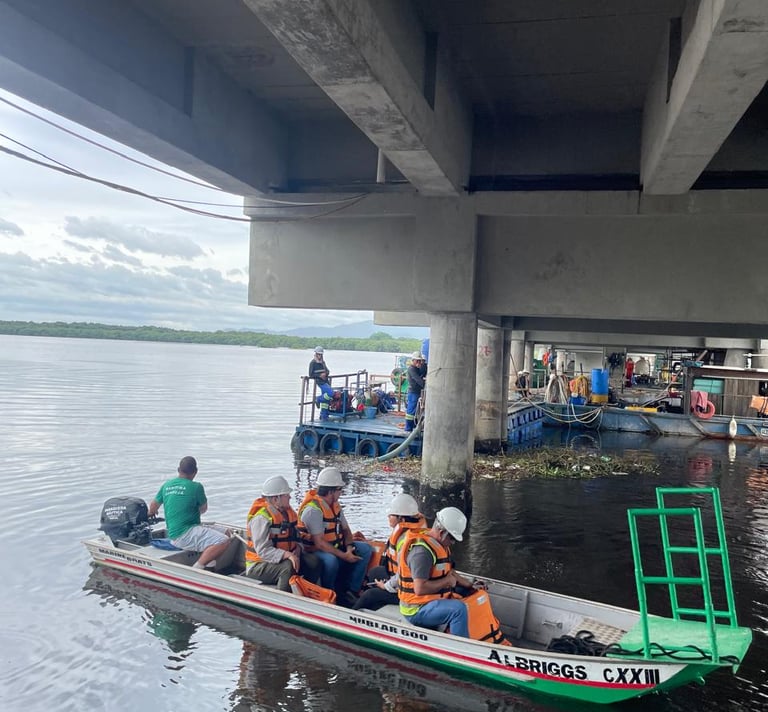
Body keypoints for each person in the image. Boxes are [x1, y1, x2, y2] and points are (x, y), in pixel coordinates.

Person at [398, 507, 483, 638]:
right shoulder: (421, 553)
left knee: (469, 594)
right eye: (452, 538)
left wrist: (470, 585)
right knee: (458, 610)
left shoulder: (438, 544)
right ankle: (462, 649)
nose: (453, 543)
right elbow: (419, 588)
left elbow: (449, 572)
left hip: (432, 600)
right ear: (441, 532)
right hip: (416, 609)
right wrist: (446, 582)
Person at [297, 467, 373, 605]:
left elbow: (346, 530)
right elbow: (319, 543)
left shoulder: (335, 505)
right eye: (340, 490)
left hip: (335, 545)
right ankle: (329, 593)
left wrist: (349, 548)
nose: (341, 493)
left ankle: (351, 590)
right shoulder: (313, 510)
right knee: (331, 561)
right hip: (314, 550)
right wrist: (344, 556)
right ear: (331, 491)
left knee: (366, 549)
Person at [147, 456, 231, 570]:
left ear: (178, 470)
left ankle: (210, 563)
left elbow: (153, 507)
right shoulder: (196, 487)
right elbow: (203, 509)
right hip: (184, 534)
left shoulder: (167, 485)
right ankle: (197, 568)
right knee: (223, 540)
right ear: (195, 472)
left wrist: (152, 513)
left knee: (227, 532)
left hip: (178, 531)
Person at [244, 475, 321, 591]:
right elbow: (263, 551)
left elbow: (297, 537)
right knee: (287, 567)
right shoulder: (261, 518)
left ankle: (306, 591)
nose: (290, 497)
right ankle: (284, 597)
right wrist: (288, 555)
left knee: (313, 561)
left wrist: (298, 549)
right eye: (286, 495)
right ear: (276, 499)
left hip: (282, 559)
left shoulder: (288, 514)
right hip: (258, 564)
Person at [352, 493, 426, 611]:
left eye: (391, 515)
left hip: (409, 591)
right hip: (403, 581)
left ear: (401, 519)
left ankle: (354, 612)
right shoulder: (408, 533)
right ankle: (376, 607)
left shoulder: (406, 542)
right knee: (374, 572)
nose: (388, 517)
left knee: (370, 595)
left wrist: (386, 586)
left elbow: (403, 574)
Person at [404, 351, 427, 432]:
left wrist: (424, 365)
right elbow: (419, 380)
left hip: (417, 392)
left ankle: (414, 425)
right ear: (413, 361)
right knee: (411, 411)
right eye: (417, 361)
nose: (419, 362)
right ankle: (408, 428)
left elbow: (423, 372)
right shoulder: (411, 369)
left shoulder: (417, 369)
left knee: (416, 410)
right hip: (413, 393)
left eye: (420, 361)